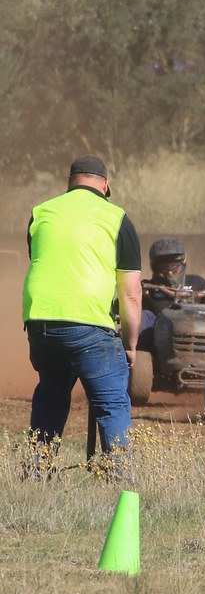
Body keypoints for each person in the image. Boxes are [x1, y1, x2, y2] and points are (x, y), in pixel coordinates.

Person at [21, 154, 142, 471]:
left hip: (40, 321)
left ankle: (36, 474)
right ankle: (118, 478)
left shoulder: (41, 212)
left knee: (51, 394)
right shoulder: (116, 218)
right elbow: (130, 294)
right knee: (111, 401)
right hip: (88, 325)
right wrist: (130, 345)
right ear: (106, 184)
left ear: (70, 181)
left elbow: (47, 262)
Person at [139, 237, 205, 351]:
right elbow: (124, 304)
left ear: (182, 263)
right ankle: (141, 353)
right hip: (160, 342)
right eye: (164, 268)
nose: (169, 272)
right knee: (144, 315)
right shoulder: (147, 288)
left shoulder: (196, 282)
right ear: (155, 267)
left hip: (195, 336)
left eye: (173, 267)